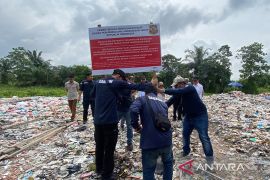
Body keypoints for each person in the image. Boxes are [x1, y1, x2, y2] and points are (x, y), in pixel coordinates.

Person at [90, 69, 147, 180]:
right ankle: (106, 175)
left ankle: (99, 168)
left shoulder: (98, 82)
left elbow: (92, 96)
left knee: (99, 146)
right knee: (109, 149)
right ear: (119, 76)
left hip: (97, 121)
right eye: (122, 78)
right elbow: (138, 86)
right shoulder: (117, 82)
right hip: (110, 121)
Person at [157, 76, 214, 165]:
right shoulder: (180, 92)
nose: (175, 88)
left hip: (200, 116)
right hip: (188, 116)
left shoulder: (189, 88)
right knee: (185, 134)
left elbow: (178, 91)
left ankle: (210, 160)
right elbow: (170, 101)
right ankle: (186, 151)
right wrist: (158, 108)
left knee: (204, 137)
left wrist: (162, 90)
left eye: (176, 86)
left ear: (182, 84)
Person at [130, 84, 173, 180]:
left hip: (150, 142)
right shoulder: (162, 102)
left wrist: (136, 127)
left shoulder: (142, 99)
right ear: (156, 92)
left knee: (149, 169)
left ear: (145, 92)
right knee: (168, 164)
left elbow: (133, 110)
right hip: (166, 140)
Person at [115, 73, 134, 151]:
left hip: (127, 108)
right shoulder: (117, 85)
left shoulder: (127, 85)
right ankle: (113, 141)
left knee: (129, 126)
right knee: (113, 125)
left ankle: (129, 143)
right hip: (119, 108)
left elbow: (132, 90)